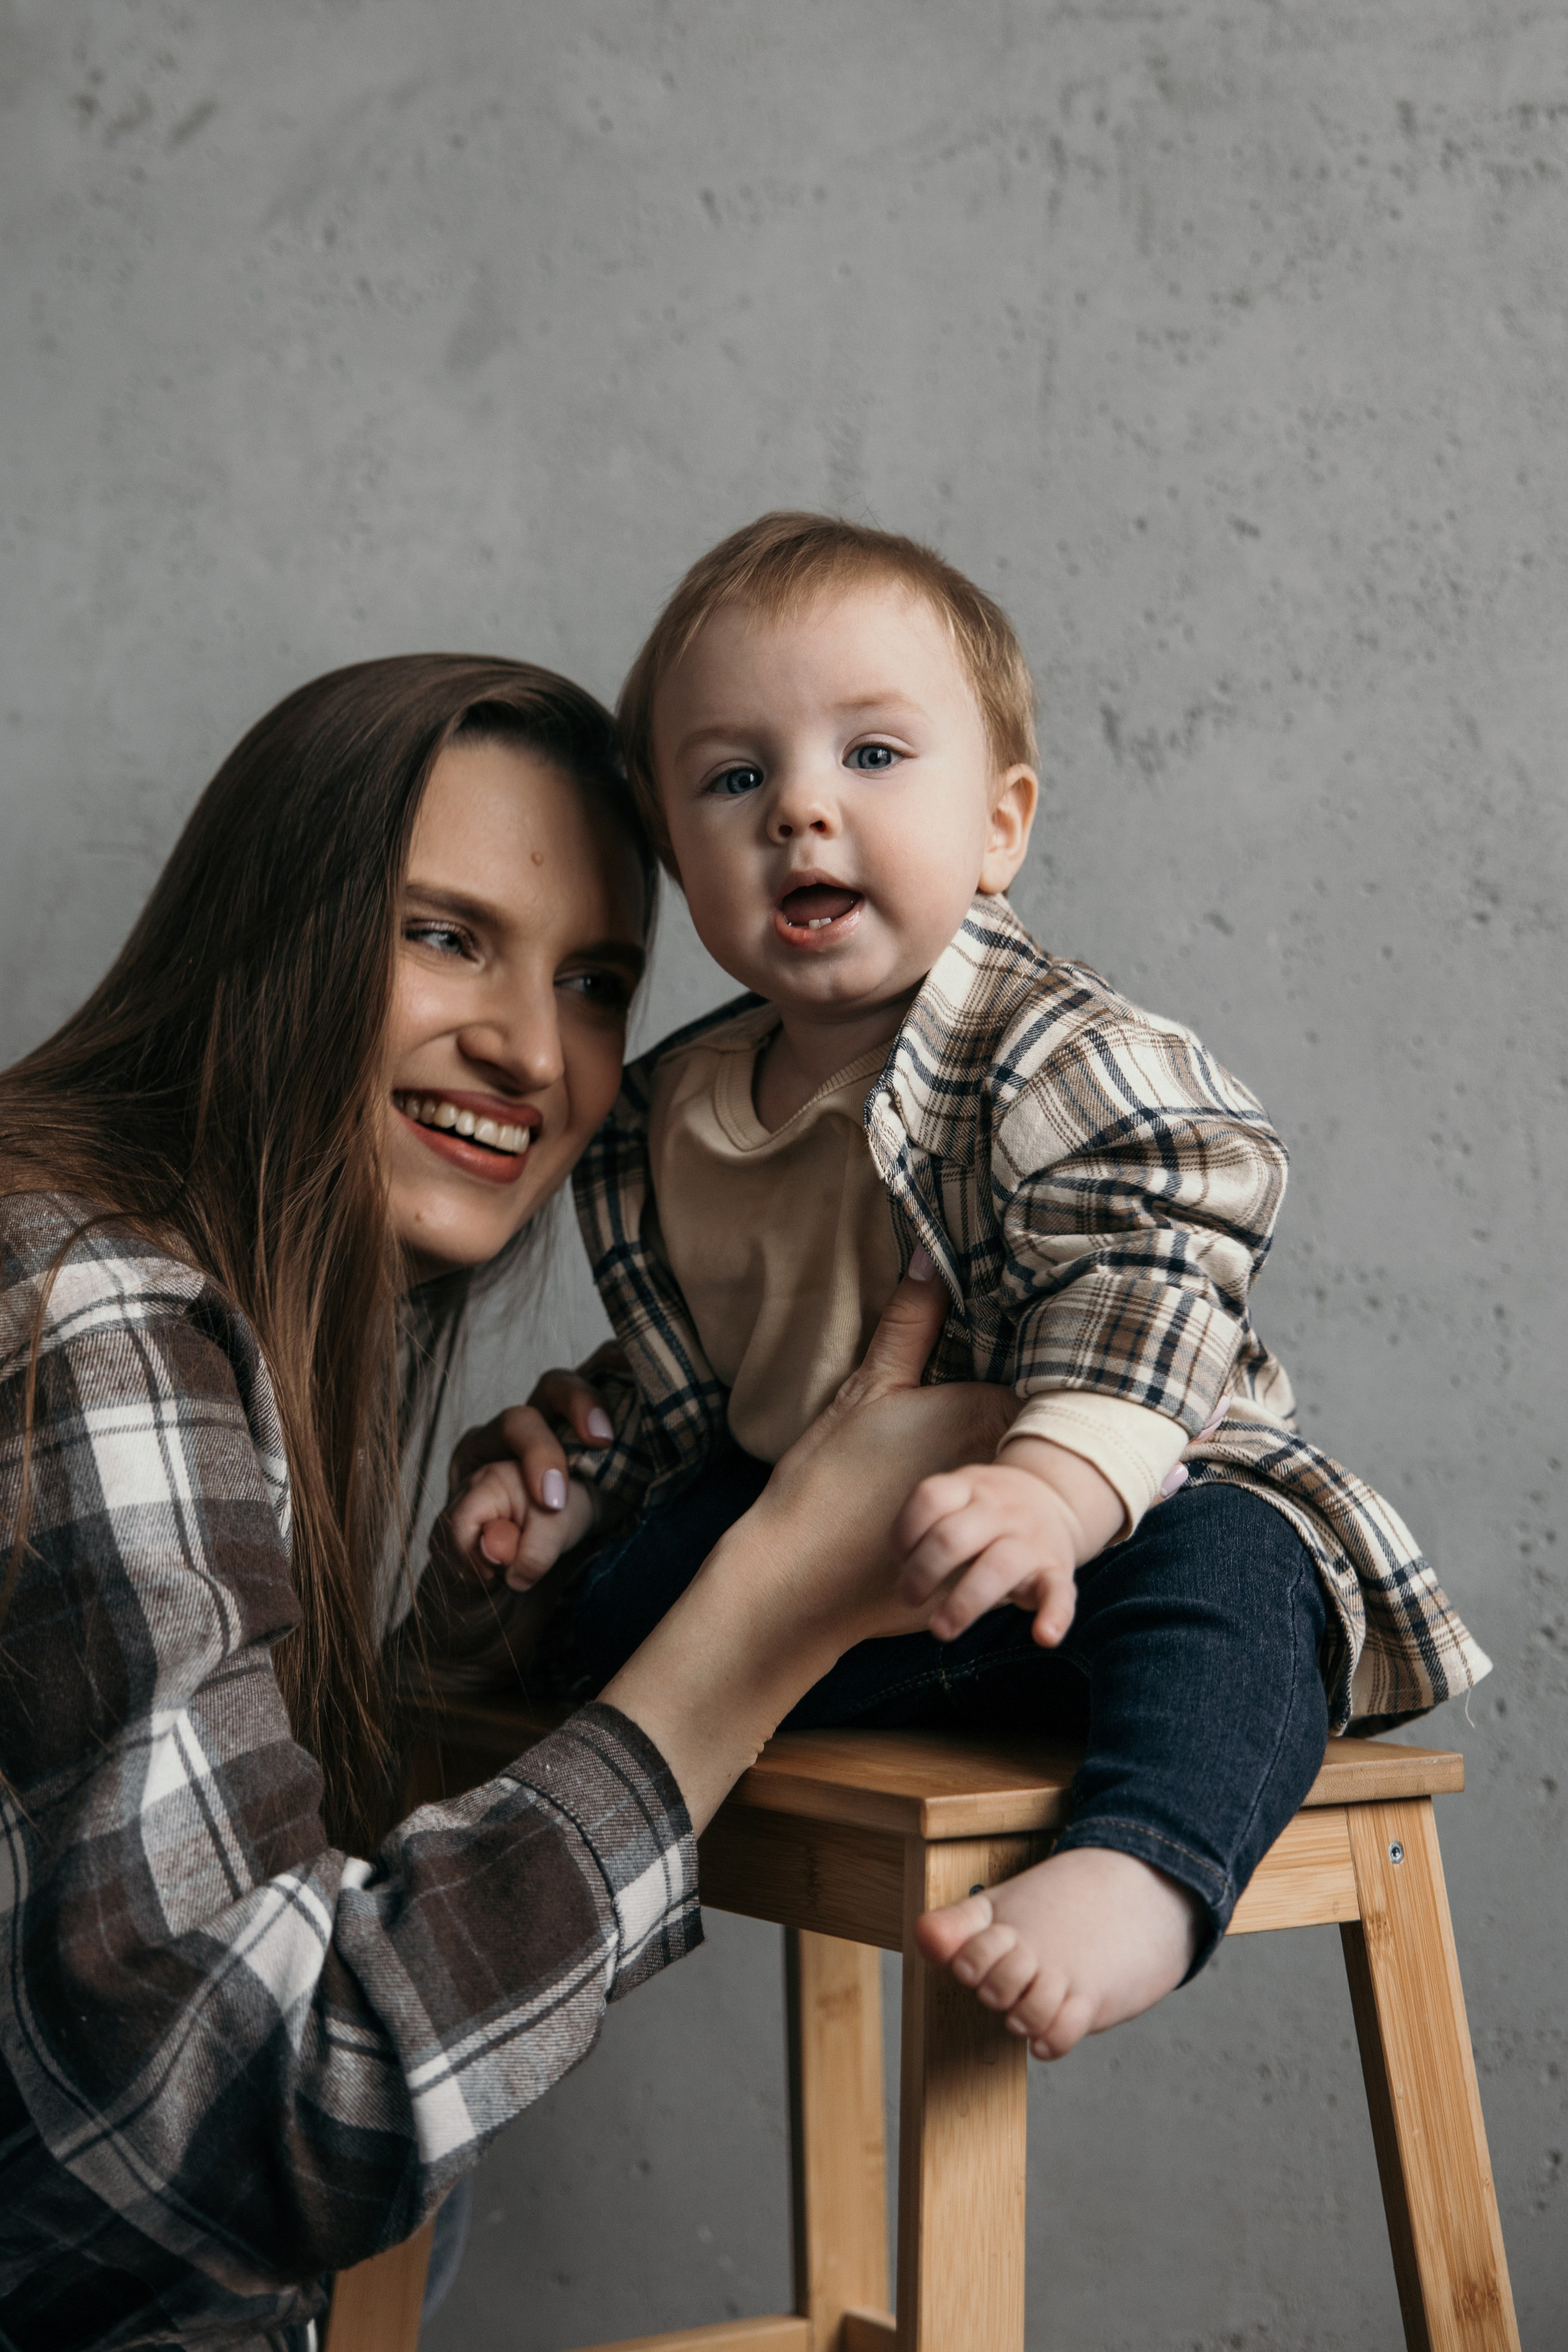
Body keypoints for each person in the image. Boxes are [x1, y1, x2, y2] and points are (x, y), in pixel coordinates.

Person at [0, 652, 1010, 2352]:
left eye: (599, 980)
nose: (535, 1051)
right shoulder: (82, 1303)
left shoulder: (154, 1282)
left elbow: (148, 1895)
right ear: (270, 935)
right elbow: (263, 2106)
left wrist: (460, 1651)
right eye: (446, 935)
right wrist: (768, 1606)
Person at [442, 513, 1491, 2064]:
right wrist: (577, 1490)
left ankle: (1141, 1870)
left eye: (871, 757)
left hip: (1096, 1527)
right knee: (610, 1618)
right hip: (843, 1563)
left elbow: (1149, 1266)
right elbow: (687, 1379)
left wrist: (1051, 1493)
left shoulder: (1048, 1050)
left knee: (1241, 1577)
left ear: (998, 825)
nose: (800, 809)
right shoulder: (667, 1118)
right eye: (735, 779)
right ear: (678, 857)